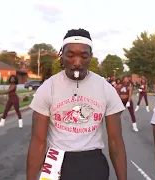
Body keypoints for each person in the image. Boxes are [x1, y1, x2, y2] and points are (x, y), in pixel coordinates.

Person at [26, 28, 127, 180]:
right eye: (71, 55)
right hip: (56, 158)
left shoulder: (105, 88)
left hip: (93, 161)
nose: (77, 62)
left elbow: (115, 141)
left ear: (91, 56)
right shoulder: (48, 88)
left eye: (84, 56)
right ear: (62, 55)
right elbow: (38, 141)